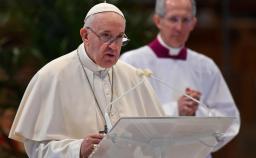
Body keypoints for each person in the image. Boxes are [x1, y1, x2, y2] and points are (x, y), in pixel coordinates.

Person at [9, 2, 164, 158]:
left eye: (119, 38)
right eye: (106, 36)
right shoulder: (52, 76)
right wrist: (78, 150)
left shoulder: (134, 77)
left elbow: (159, 138)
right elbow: (35, 149)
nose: (114, 47)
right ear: (85, 35)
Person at [120, 0, 240, 156]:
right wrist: (176, 109)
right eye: (173, 19)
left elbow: (230, 121)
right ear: (158, 20)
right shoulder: (131, 62)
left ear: (193, 23)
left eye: (185, 20)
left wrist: (196, 112)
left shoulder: (205, 66)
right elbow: (123, 119)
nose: (179, 27)